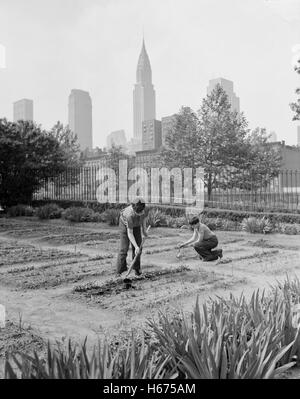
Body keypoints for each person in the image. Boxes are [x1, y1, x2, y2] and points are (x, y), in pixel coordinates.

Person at [116, 197, 148, 276]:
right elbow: (130, 233)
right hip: (125, 225)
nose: (140, 213)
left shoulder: (145, 209)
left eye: (141, 212)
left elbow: (143, 218)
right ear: (134, 210)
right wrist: (136, 246)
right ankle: (120, 271)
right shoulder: (129, 215)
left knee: (139, 249)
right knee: (124, 249)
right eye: (138, 213)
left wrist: (144, 230)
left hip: (136, 224)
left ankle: (136, 268)